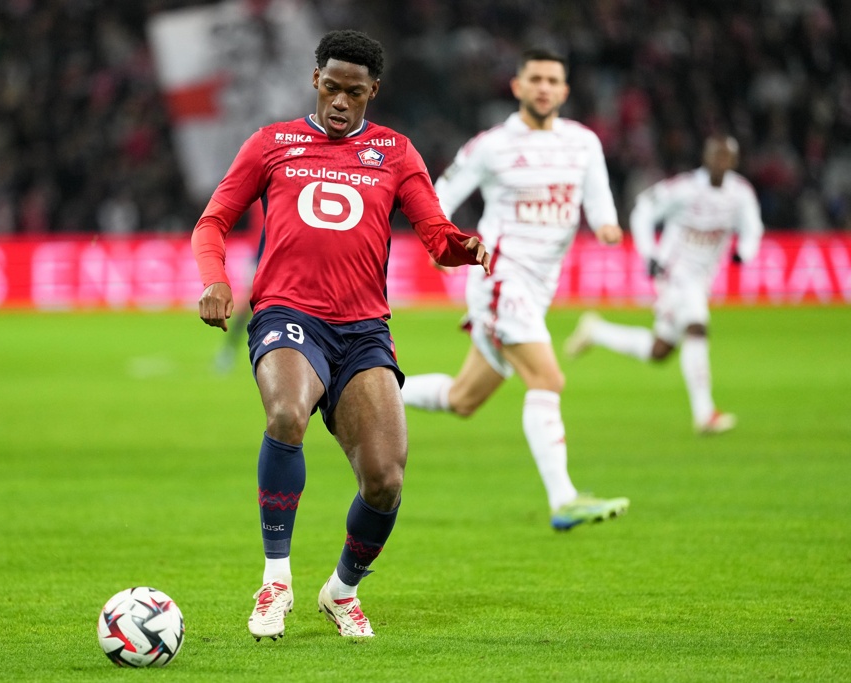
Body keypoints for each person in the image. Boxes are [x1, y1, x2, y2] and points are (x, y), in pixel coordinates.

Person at [191, 30, 490, 641]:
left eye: (354, 92)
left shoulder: (396, 153)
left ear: (372, 91)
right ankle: (276, 581)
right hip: (287, 313)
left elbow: (437, 236)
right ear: (315, 80)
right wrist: (215, 280)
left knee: (385, 480)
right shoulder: (272, 143)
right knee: (286, 415)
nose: (340, 102)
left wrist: (466, 247)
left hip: (362, 330)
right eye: (331, 87)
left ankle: (342, 590)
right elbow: (212, 222)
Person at [400, 48, 629, 532]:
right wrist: (440, 242)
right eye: (536, 79)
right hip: (500, 278)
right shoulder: (492, 146)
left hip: (540, 287)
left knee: (463, 399)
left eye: (552, 80)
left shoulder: (583, 143)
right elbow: (438, 194)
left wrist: (607, 224)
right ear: (518, 86)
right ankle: (564, 500)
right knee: (547, 379)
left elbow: (597, 195)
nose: (544, 87)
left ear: (564, 91)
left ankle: (367, 389)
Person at [564, 135, 763, 435]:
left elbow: (753, 227)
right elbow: (643, 209)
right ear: (706, 157)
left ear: (734, 161)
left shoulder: (741, 194)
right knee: (696, 326)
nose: (720, 162)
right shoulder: (684, 188)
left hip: (701, 279)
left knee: (660, 350)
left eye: (726, 157)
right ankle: (705, 414)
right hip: (674, 273)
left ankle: (596, 331)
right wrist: (650, 254)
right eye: (716, 155)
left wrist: (744, 251)